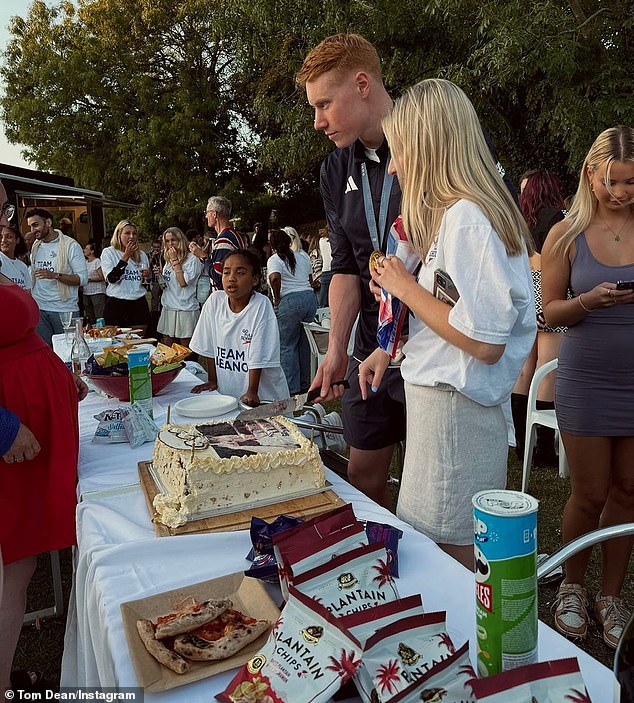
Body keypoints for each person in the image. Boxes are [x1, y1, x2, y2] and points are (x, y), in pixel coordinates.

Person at [358, 79, 535, 569]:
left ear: (428, 146)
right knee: (434, 552)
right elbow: (454, 318)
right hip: (447, 415)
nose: (392, 166)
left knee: (445, 560)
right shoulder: (462, 217)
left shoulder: (468, 219)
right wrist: (389, 345)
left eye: (397, 152)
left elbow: (484, 340)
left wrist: (406, 289)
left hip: (455, 422)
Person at [296, 33, 405, 507]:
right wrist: (335, 348)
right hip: (369, 345)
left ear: (362, 84)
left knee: (432, 493)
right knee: (363, 478)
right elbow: (343, 267)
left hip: (431, 344)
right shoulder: (335, 168)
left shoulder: (434, 138)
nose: (317, 122)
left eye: (324, 104)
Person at [542, 125, 634, 649]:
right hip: (588, 378)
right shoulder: (565, 233)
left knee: (629, 490)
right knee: (590, 491)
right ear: (590, 173)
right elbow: (547, 311)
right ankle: (574, 586)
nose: (621, 193)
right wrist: (588, 303)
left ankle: (611, 594)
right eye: (612, 181)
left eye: (631, 182)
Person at [0, 180, 88, 696]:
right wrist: (5, 427)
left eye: (5, 207)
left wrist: (56, 371)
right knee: (12, 566)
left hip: (29, 422)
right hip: (14, 437)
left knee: (18, 564)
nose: (7, 218)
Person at [511, 170, 567, 464]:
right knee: (548, 367)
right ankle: (544, 447)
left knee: (525, 368)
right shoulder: (559, 218)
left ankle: (523, 445)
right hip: (549, 289)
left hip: (525, 289)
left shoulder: (519, 222)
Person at [188, 249, 289, 405]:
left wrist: (252, 391)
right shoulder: (214, 301)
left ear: (255, 279)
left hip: (264, 396)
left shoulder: (261, 305)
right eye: (226, 272)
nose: (231, 278)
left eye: (240, 273)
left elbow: (258, 354)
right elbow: (209, 346)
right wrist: (213, 380)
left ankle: (324, 417)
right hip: (230, 393)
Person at [27, 207, 88, 347]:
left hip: (65, 310)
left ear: (48, 222)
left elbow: (83, 279)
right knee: (45, 354)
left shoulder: (71, 245)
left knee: (69, 353)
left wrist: (55, 275)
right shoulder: (36, 246)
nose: (32, 230)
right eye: (30, 226)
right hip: (40, 308)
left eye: (35, 225)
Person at [267, 228, 317, 395]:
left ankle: (291, 387)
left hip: (289, 301)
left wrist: (276, 297)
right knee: (304, 344)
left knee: (287, 346)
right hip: (309, 299)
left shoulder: (275, 259)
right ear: (289, 242)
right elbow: (310, 280)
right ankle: (305, 383)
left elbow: (274, 278)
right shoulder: (303, 256)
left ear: (272, 245)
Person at [100, 220, 151, 330]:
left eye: (134, 233)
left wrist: (148, 276)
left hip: (138, 302)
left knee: (139, 341)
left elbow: (145, 283)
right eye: (127, 233)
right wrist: (126, 256)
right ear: (119, 234)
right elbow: (112, 279)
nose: (131, 236)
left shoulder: (142, 255)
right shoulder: (109, 252)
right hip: (116, 302)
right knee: (115, 341)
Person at [156, 227, 203, 346]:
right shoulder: (167, 259)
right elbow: (167, 285)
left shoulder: (192, 260)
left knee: (185, 352)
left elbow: (182, 283)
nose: (170, 244)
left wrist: (175, 260)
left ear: (181, 240)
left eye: (173, 240)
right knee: (169, 352)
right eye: (167, 241)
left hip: (185, 310)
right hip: (169, 308)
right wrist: (160, 277)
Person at [188, 196, 245, 294]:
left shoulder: (224, 240)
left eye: (207, 212)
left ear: (214, 214)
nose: (206, 216)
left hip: (224, 297)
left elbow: (218, 276)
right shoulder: (233, 235)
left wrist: (203, 256)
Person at [82, 240, 106, 325]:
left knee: (99, 314)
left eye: (86, 248)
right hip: (86, 292)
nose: (84, 250)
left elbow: (102, 277)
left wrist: (88, 279)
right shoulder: (84, 263)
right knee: (89, 314)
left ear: (92, 251)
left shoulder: (97, 261)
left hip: (97, 292)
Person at [0, 226, 30, 290]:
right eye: (1, 237)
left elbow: (28, 293)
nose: (3, 240)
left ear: (17, 240)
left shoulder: (23, 266)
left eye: (9, 237)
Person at [317, 227, 333, 308]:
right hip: (334, 270)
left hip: (326, 271)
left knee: (323, 302)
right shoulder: (333, 240)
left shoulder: (321, 241)